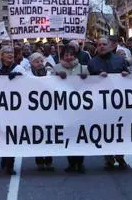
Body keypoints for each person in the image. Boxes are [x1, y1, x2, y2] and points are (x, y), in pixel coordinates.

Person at [88, 37, 131, 170]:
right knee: (105, 130)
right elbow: (88, 82)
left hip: (118, 102)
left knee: (119, 129)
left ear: (110, 46)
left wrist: (126, 74)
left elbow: (129, 76)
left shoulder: (119, 60)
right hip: (101, 103)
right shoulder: (92, 62)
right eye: (99, 44)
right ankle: (108, 158)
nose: (101, 46)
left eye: (104, 44)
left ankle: (120, 157)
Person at [0, 46, 26, 175]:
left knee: (12, 136)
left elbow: (28, 83)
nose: (10, 55)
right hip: (0, 108)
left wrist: (19, 77)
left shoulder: (19, 69)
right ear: (2, 55)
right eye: (7, 53)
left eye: (12, 53)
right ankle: (4, 159)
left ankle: (10, 163)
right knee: (2, 135)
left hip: (15, 109)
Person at [53, 44, 88, 173]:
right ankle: (71, 163)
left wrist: (86, 77)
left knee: (80, 135)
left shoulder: (83, 68)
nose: (69, 57)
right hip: (64, 107)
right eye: (66, 55)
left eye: (71, 54)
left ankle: (80, 162)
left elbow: (91, 85)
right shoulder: (56, 68)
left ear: (75, 56)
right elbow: (48, 82)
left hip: (80, 108)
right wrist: (56, 76)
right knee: (68, 135)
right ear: (62, 56)